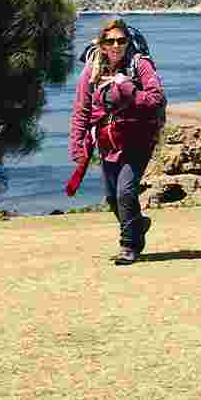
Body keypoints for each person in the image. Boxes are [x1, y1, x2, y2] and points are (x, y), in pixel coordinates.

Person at [69, 18, 166, 265]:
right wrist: (77, 146)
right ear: (101, 44)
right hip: (107, 142)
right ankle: (138, 225)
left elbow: (155, 99)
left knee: (125, 192)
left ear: (128, 42)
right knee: (113, 198)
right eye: (110, 41)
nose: (116, 45)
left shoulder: (140, 65)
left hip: (138, 139)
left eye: (121, 40)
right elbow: (82, 109)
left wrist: (127, 88)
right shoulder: (91, 71)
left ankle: (129, 245)